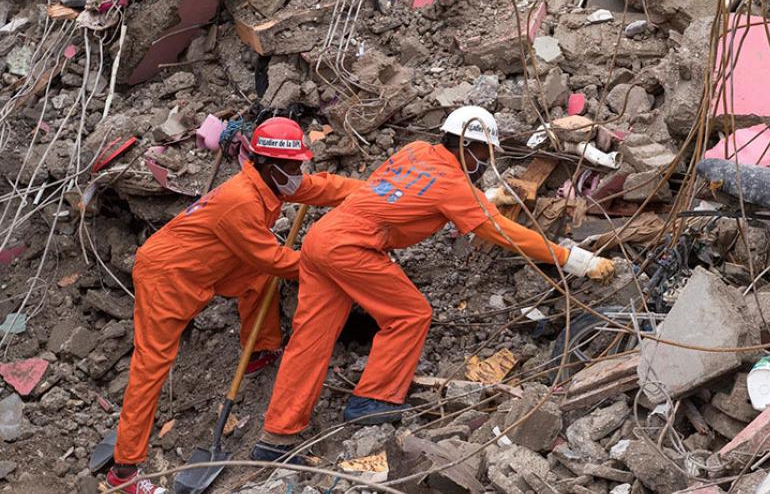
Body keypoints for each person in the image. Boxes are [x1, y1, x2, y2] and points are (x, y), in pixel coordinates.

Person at [252, 106, 615, 462]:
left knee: (309, 340)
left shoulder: (416, 151)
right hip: (352, 247)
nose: (485, 163)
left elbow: (401, 192)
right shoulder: (454, 184)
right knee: (409, 314)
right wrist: (575, 260)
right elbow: (502, 231)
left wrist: (480, 199)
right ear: (465, 146)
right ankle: (371, 402)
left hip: (321, 239)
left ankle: (277, 437)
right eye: (483, 154)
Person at [106, 117, 364, 493]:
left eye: (300, 165)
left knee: (256, 281)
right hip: (169, 275)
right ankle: (125, 471)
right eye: (293, 167)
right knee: (152, 365)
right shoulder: (240, 200)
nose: (299, 173)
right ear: (269, 165)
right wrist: (328, 265)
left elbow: (320, 187)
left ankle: (260, 348)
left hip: (212, 265)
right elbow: (274, 260)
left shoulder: (269, 182)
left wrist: (376, 191)